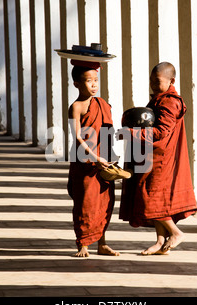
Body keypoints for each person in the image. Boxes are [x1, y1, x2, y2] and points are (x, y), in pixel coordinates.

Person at [117, 62, 197, 255]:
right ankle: (160, 242)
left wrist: (132, 133)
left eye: (158, 81)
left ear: (172, 81)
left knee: (150, 197)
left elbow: (161, 132)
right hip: (152, 155)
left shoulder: (170, 101)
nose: (153, 84)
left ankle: (176, 233)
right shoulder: (159, 99)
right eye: (152, 80)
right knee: (156, 199)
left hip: (162, 158)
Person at [67, 60, 120, 258]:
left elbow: (108, 131)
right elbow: (78, 137)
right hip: (85, 161)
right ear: (77, 84)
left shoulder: (102, 104)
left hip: (104, 160)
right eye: (89, 81)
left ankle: (102, 243)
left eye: (96, 80)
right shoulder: (77, 107)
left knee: (105, 202)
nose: (94, 85)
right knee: (85, 202)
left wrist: (110, 155)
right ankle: (83, 243)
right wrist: (95, 157)